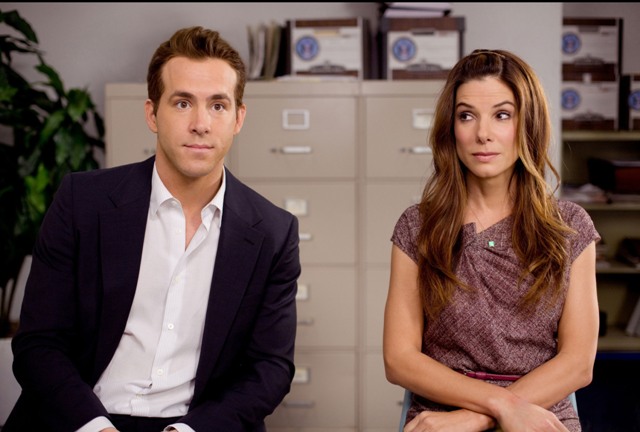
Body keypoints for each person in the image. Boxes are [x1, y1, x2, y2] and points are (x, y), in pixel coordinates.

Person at [5, 26, 301, 432]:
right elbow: (39, 344)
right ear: (152, 114)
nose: (201, 123)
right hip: (81, 419)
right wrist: (96, 428)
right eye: (182, 103)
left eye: (218, 105)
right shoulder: (82, 202)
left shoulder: (273, 232)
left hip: (196, 426)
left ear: (238, 118)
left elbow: (269, 368)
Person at [383, 49, 600, 432]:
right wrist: (499, 406)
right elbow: (399, 358)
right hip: (440, 415)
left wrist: (477, 418)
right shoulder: (418, 226)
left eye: (502, 115)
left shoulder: (570, 227)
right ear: (451, 128)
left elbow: (578, 363)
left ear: (528, 124)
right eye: (467, 116)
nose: (483, 133)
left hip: (538, 411)